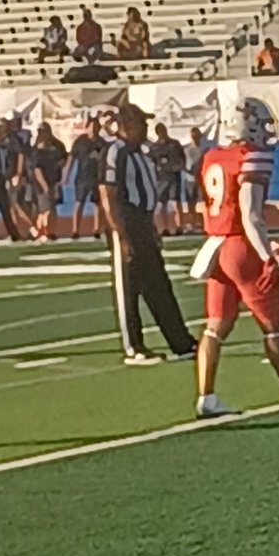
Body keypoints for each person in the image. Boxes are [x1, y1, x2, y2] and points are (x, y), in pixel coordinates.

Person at [190, 97, 279, 417]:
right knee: (273, 326)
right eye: (262, 123)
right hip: (241, 248)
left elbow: (227, 206)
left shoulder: (213, 156)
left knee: (215, 327)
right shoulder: (252, 156)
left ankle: (206, 397)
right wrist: (268, 256)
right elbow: (250, 215)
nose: (266, 131)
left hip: (215, 246)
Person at [99, 102, 198, 364]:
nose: (145, 128)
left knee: (158, 283)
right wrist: (121, 235)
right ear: (127, 126)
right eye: (141, 123)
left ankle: (181, 342)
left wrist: (151, 227)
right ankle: (134, 346)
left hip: (142, 221)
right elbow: (108, 194)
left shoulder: (141, 153)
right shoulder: (115, 152)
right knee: (129, 287)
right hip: (126, 221)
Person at [65, 116, 103, 239]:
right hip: (82, 177)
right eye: (92, 127)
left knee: (97, 204)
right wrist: (66, 174)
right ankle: (75, 230)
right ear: (87, 128)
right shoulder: (80, 142)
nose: (94, 129)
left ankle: (97, 229)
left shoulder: (102, 143)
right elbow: (71, 158)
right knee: (79, 202)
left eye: (96, 127)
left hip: (97, 178)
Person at [31, 123, 68, 241]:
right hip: (41, 184)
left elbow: (65, 158)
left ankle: (50, 231)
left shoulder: (58, 145)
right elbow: (37, 169)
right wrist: (45, 185)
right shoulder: (37, 150)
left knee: (52, 208)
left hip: (54, 181)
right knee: (46, 209)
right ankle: (44, 231)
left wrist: (60, 167)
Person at [149, 122, 186, 237]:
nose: (162, 133)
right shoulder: (154, 147)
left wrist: (177, 168)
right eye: (160, 131)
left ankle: (178, 227)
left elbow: (182, 159)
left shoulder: (174, 144)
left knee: (175, 202)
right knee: (161, 204)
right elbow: (151, 163)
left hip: (174, 177)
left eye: (163, 130)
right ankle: (163, 228)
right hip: (161, 179)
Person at [183, 125, 208, 231]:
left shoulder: (205, 149)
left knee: (203, 201)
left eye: (197, 135)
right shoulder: (187, 149)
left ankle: (202, 222)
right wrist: (189, 171)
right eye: (193, 135)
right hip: (190, 179)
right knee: (191, 202)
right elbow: (184, 164)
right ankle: (191, 223)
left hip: (202, 178)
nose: (195, 137)